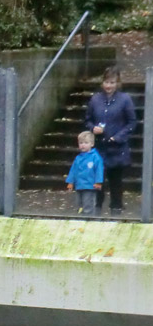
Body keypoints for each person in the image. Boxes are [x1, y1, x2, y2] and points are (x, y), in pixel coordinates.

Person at [84, 66, 136, 215]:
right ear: (102, 82)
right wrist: (93, 128)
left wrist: (118, 137)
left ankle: (116, 208)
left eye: (112, 82)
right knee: (97, 179)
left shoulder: (125, 99)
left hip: (117, 147)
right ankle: (97, 207)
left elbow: (132, 122)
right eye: (106, 82)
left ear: (117, 83)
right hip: (99, 147)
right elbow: (87, 120)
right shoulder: (95, 99)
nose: (109, 85)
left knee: (116, 181)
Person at [65, 131, 103, 216]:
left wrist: (98, 182)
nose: (83, 145)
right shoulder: (78, 158)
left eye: (86, 143)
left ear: (92, 144)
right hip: (79, 185)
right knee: (78, 204)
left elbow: (99, 170)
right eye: (81, 143)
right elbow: (73, 170)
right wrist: (70, 182)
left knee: (88, 204)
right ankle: (80, 217)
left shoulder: (95, 157)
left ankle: (89, 219)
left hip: (90, 185)